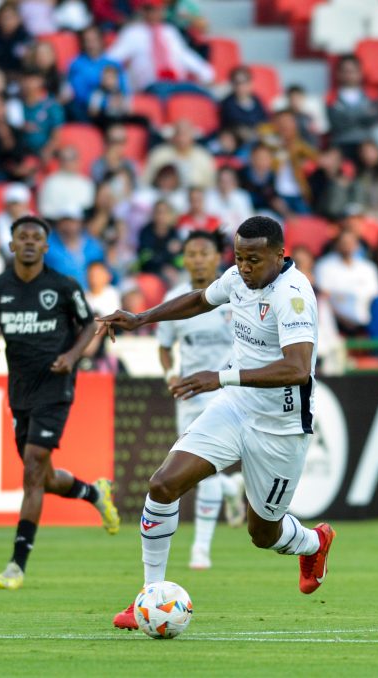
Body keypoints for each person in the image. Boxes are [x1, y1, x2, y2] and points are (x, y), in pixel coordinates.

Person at [100, 216, 335, 631]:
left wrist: (219, 377)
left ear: (280, 255)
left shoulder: (294, 296)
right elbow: (199, 300)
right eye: (239, 257)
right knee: (162, 484)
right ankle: (148, 597)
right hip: (235, 407)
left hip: (280, 427)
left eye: (254, 259)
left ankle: (314, 542)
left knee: (262, 533)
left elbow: (298, 368)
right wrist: (141, 318)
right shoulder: (238, 278)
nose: (244, 267)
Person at [0, 215, 120, 591]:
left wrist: (72, 358)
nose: (27, 242)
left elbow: (90, 324)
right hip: (20, 391)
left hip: (56, 387)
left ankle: (16, 565)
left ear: (44, 246)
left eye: (35, 238)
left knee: (33, 468)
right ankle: (93, 492)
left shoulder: (63, 286)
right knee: (42, 476)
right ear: (11, 245)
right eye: (21, 236)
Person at [155, 231, 247, 570]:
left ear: (216, 257)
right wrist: (170, 376)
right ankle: (231, 488)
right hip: (191, 393)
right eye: (191, 253)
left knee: (205, 472)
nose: (196, 259)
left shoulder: (235, 292)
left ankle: (201, 550)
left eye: (203, 253)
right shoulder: (176, 298)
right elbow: (164, 347)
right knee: (194, 473)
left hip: (227, 391)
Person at [327, 55, 378, 163]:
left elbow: (373, 120)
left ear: (360, 73)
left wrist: (345, 114)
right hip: (341, 144)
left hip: (365, 143)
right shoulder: (330, 97)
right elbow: (336, 124)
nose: (349, 75)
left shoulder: (373, 95)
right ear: (338, 73)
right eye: (345, 71)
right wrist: (363, 114)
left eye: (352, 71)